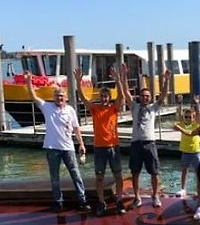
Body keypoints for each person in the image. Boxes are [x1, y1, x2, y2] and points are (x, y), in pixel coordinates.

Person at [25, 73, 90, 212]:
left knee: (76, 174)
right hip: (52, 147)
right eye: (57, 96)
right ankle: (58, 201)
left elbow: (76, 128)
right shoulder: (47, 107)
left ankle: (82, 199)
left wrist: (81, 144)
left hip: (68, 148)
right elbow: (33, 97)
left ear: (65, 98)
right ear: (53, 97)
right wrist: (29, 82)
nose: (59, 98)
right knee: (55, 177)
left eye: (62, 96)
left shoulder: (70, 110)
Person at [74, 64, 126, 216]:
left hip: (113, 146)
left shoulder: (114, 109)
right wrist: (78, 82)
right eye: (102, 96)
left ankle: (119, 200)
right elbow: (82, 98)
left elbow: (122, 97)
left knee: (118, 175)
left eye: (106, 96)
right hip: (99, 148)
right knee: (99, 177)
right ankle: (101, 202)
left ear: (110, 98)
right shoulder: (95, 108)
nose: (104, 99)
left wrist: (118, 80)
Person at [121, 68, 172, 208]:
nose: (145, 98)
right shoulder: (134, 106)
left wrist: (166, 80)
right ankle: (137, 197)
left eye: (148, 96)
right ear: (139, 97)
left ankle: (155, 196)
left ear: (150, 97)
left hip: (150, 143)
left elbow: (163, 95)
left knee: (154, 172)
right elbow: (126, 92)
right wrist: (124, 76)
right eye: (143, 95)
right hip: (136, 143)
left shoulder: (153, 108)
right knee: (135, 172)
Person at [173, 105, 200, 197]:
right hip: (185, 151)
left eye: (190, 117)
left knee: (198, 171)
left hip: (195, 151)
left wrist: (197, 104)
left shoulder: (196, 124)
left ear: (194, 117)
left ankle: (199, 189)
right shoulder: (182, 124)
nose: (188, 118)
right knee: (184, 170)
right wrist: (180, 104)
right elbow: (179, 114)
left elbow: (199, 114)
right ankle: (183, 188)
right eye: (186, 117)